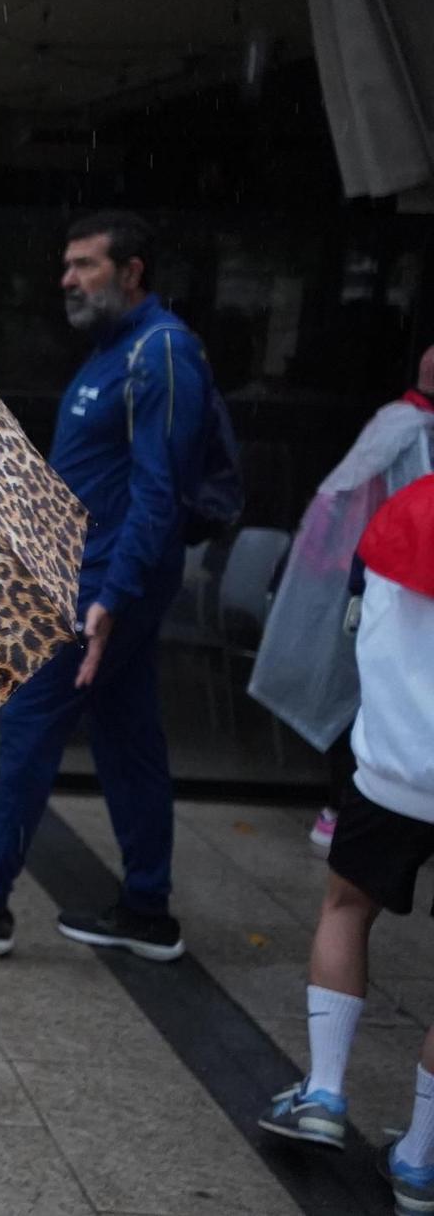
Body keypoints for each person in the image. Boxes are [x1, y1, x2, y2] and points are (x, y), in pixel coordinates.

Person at [0, 211, 215, 962]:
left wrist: (111, 598)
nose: (67, 280)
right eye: (66, 265)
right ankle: (146, 908)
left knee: (32, 720)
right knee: (129, 739)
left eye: (85, 265)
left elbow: (157, 492)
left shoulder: (161, 354)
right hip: (88, 580)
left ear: (133, 271)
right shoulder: (113, 353)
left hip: (102, 590)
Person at [256, 474, 434, 1214]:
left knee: (346, 906)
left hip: (390, 768)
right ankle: (421, 1160)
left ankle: (324, 1090)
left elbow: (360, 619)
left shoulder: (407, 509)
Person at [250, 345, 434, 853]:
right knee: (363, 695)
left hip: (375, 576)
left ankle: (345, 806)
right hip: (378, 577)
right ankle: (341, 804)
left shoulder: (398, 424)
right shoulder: (407, 429)